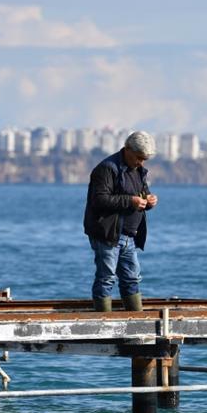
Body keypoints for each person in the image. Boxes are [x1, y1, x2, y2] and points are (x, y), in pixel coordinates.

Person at [83, 131, 159, 312]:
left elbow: (141, 195)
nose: (141, 162)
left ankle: (136, 318)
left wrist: (149, 201)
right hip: (107, 234)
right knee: (106, 278)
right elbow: (99, 200)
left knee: (132, 278)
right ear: (127, 149)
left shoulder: (139, 170)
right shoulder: (107, 168)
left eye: (144, 159)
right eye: (139, 157)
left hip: (129, 236)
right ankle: (103, 320)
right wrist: (130, 201)